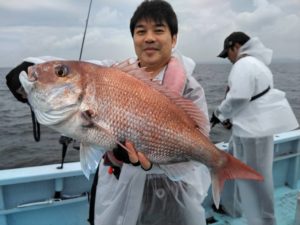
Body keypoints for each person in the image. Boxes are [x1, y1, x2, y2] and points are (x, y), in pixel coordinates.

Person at [88, 1, 211, 225]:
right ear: (133, 38)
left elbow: (200, 138)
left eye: (159, 30)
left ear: (174, 39)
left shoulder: (190, 88)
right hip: (123, 187)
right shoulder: (115, 75)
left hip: (176, 191)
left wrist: (156, 158)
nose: (149, 38)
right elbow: (83, 70)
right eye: (141, 31)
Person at [210, 31, 299, 225]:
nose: (229, 59)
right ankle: (239, 210)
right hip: (256, 129)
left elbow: (239, 97)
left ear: (237, 47)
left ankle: (263, 221)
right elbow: (253, 99)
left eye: (228, 53)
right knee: (256, 175)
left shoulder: (243, 64)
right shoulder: (259, 65)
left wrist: (218, 113)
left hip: (252, 133)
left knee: (255, 179)